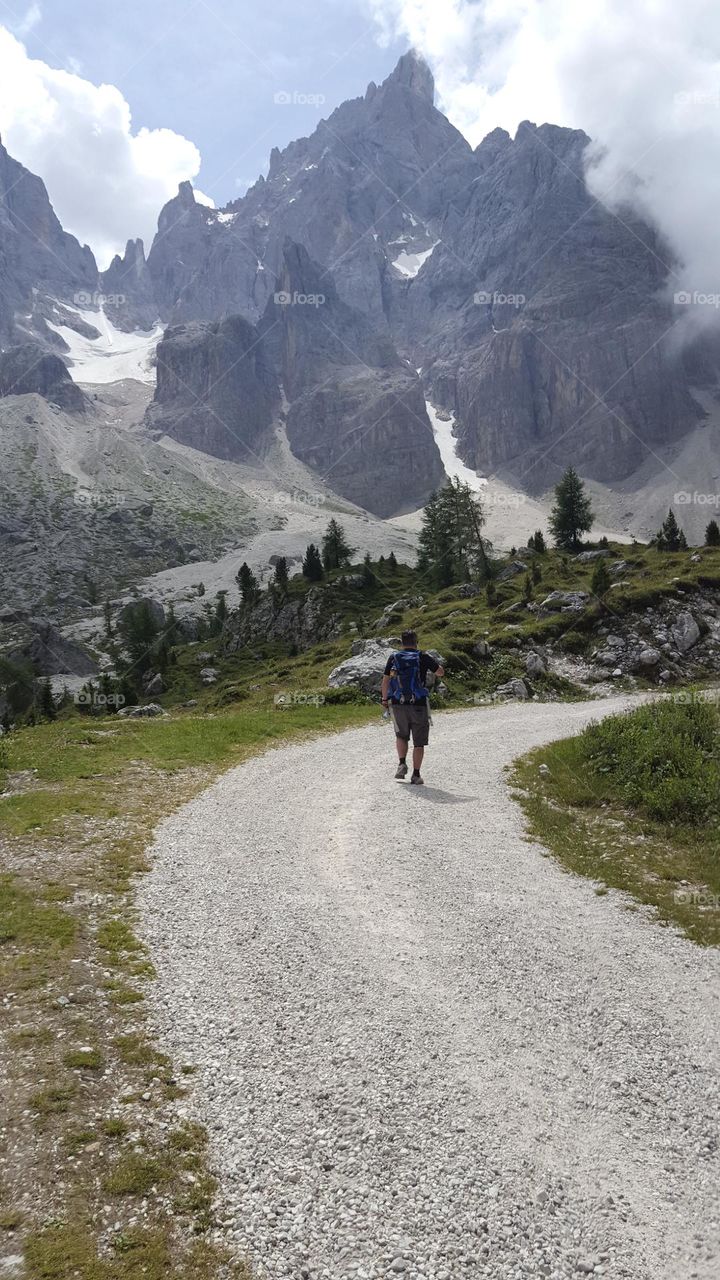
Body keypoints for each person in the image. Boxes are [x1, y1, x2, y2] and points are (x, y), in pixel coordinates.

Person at [381, 630, 444, 785]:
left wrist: (384, 700)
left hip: (398, 703)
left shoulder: (394, 657)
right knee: (419, 742)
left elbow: (385, 681)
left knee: (401, 735)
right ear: (416, 642)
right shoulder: (422, 657)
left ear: (402, 643)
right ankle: (416, 775)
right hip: (419, 704)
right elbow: (440, 673)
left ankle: (402, 763)